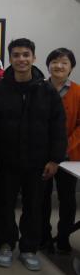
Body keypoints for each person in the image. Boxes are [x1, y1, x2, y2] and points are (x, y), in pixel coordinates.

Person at [0, 38, 67, 271]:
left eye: (26, 55)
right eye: (16, 55)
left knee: (34, 206)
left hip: (38, 162)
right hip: (5, 161)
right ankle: (6, 244)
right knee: (5, 204)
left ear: (34, 58)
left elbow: (58, 127)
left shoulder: (47, 91)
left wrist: (55, 159)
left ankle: (29, 248)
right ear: (10, 59)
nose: (21, 59)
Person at [41, 48, 79, 254]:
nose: (59, 66)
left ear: (71, 67)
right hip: (41, 154)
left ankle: (63, 237)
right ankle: (44, 237)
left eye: (64, 62)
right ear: (48, 65)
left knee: (67, 199)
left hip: (68, 156)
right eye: (55, 62)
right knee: (42, 198)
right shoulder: (38, 89)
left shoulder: (78, 92)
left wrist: (63, 148)